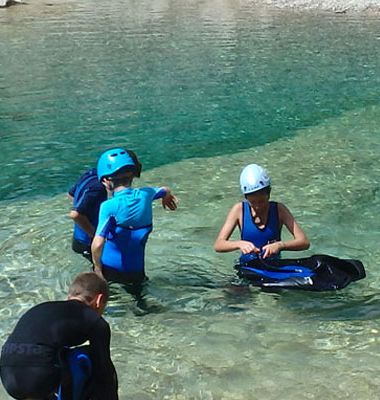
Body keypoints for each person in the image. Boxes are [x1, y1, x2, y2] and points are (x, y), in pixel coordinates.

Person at [0, 272, 118, 400]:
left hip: (7, 375)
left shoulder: (42, 308)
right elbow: (104, 373)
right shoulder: (95, 320)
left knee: (58, 354)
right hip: (38, 377)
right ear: (99, 300)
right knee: (89, 357)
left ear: (69, 296)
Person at [91, 147, 177, 285]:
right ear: (132, 175)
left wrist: (97, 268)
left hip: (111, 270)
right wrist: (167, 197)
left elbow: (98, 243)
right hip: (137, 270)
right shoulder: (146, 194)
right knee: (140, 297)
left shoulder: (108, 206)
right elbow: (164, 189)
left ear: (106, 180)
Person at [214, 163, 310, 261]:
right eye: (253, 202)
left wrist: (280, 245)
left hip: (274, 266)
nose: (258, 206)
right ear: (246, 198)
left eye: (261, 201)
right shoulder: (239, 210)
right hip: (248, 268)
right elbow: (219, 244)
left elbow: (304, 242)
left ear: (268, 194)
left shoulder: (279, 209)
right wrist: (239, 244)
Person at [68, 168, 108, 261]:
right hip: (88, 242)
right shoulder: (98, 188)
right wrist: (95, 235)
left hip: (78, 239)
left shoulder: (90, 174)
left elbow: (71, 194)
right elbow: (75, 214)